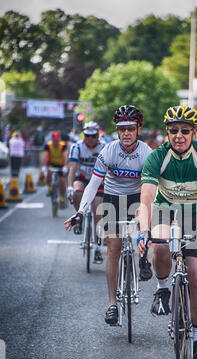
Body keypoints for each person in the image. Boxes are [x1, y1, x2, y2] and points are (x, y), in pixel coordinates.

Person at [137, 105, 197, 359]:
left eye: (185, 130)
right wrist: (143, 232)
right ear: (168, 133)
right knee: (160, 246)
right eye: (174, 130)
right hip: (165, 211)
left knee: (196, 276)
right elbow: (147, 196)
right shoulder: (156, 157)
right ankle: (163, 290)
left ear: (193, 132)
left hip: (195, 216)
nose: (179, 135)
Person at [64, 105, 152, 325]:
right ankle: (112, 304)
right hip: (113, 198)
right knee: (113, 246)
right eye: (122, 129)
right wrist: (81, 211)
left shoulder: (147, 153)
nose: (126, 133)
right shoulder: (109, 151)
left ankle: (143, 259)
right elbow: (93, 185)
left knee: (146, 228)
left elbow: (153, 189)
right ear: (117, 130)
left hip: (138, 197)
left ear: (138, 129)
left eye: (131, 128)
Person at [67, 121, 106, 263]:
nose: (90, 139)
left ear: (98, 135)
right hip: (82, 177)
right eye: (87, 136)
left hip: (99, 181)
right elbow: (72, 168)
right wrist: (69, 187)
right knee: (77, 191)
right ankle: (79, 218)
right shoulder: (77, 146)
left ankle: (97, 248)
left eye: (93, 136)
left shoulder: (104, 147)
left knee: (98, 214)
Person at [43, 131, 68, 207]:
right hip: (51, 163)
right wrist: (44, 166)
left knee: (62, 181)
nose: (56, 143)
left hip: (61, 164)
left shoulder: (63, 145)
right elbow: (45, 156)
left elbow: (65, 156)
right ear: (52, 140)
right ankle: (50, 188)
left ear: (59, 140)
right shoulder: (48, 145)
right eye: (54, 141)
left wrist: (65, 166)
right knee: (48, 173)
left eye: (57, 141)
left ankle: (62, 198)